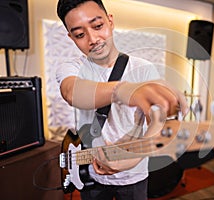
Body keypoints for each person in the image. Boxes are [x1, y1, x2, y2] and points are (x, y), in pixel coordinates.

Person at [56, 0, 188, 199]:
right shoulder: (71, 67)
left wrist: (134, 158)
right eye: (80, 35)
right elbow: (71, 92)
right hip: (89, 175)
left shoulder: (143, 69)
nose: (93, 39)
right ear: (71, 37)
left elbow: (156, 122)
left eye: (98, 26)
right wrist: (123, 90)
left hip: (133, 176)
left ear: (110, 21)